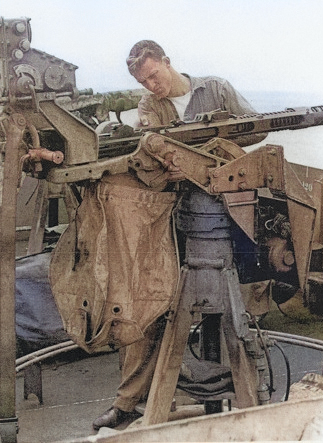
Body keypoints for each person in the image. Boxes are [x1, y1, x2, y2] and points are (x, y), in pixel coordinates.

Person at [92, 40, 267, 431]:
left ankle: (251, 393)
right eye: (144, 80)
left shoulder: (216, 89)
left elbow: (255, 130)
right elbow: (153, 153)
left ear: (168, 64)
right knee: (152, 304)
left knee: (247, 297)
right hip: (178, 214)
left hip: (229, 210)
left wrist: (218, 153)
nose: (152, 85)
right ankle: (129, 403)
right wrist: (170, 168)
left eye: (155, 75)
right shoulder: (150, 108)